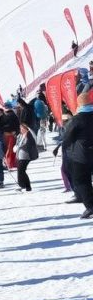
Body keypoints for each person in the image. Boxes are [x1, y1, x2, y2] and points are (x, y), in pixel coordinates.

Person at [63, 86, 93, 219]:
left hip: (81, 156)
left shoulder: (76, 119)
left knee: (81, 181)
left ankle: (90, 207)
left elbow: (67, 137)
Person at [14, 122, 39, 191]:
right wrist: (15, 147)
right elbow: (17, 143)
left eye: (22, 128)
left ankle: (23, 185)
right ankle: (26, 186)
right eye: (20, 128)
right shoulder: (20, 135)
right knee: (21, 171)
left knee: (21, 171)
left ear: (26, 129)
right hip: (19, 155)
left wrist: (18, 146)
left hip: (25, 156)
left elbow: (27, 144)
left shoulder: (29, 135)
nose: (21, 129)